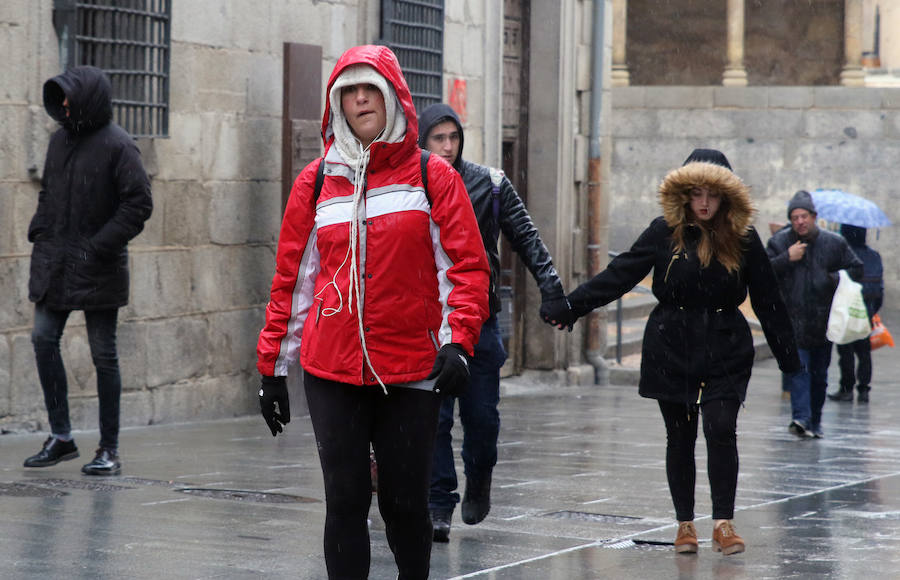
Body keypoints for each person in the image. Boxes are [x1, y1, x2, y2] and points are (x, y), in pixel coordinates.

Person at [256, 45, 489, 579]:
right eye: (350, 91)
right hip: (331, 366)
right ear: (338, 104)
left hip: (410, 366)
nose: (361, 98)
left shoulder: (433, 177)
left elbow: (467, 269)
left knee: (405, 505)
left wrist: (458, 340)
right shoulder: (315, 182)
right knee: (344, 501)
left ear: (392, 98)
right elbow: (292, 281)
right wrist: (272, 366)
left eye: (371, 89)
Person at [543, 149, 801, 555]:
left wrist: (789, 360)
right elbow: (620, 274)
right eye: (696, 193)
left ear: (725, 198)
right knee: (679, 437)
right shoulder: (663, 232)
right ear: (683, 194)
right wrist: (571, 306)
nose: (703, 203)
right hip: (671, 344)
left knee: (720, 428)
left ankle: (723, 523)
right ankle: (685, 525)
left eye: (712, 195)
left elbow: (769, 300)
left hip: (725, 345)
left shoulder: (745, 238)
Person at [417, 103, 571, 542]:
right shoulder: (410, 186)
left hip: (479, 322)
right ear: (422, 141)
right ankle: (438, 503)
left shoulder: (490, 184)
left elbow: (527, 238)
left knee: (482, 419)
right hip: (430, 324)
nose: (447, 147)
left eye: (453, 138)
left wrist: (554, 290)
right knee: (436, 420)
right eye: (438, 139)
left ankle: (479, 480)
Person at [23, 66, 153, 476]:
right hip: (54, 264)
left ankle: (108, 449)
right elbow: (47, 192)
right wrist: (40, 230)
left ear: (88, 98)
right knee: (43, 339)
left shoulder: (119, 146)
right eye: (58, 98)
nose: (62, 105)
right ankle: (61, 437)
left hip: (98, 268)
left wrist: (97, 247)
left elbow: (138, 205)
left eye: (68, 97)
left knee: (104, 356)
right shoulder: (58, 142)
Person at [766, 191, 863, 438]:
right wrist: (787, 258)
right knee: (799, 371)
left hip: (824, 322)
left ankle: (815, 420)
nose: (799, 221)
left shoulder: (834, 243)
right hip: (792, 322)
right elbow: (763, 273)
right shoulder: (780, 242)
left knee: (819, 377)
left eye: (804, 216)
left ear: (814, 217)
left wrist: (832, 278)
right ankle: (801, 418)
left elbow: (856, 268)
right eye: (795, 217)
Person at [828, 224, 883, 403]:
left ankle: (846, 388)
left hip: (846, 312)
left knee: (846, 352)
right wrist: (872, 311)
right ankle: (864, 390)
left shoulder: (844, 255)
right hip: (866, 313)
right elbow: (879, 290)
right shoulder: (875, 256)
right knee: (864, 352)